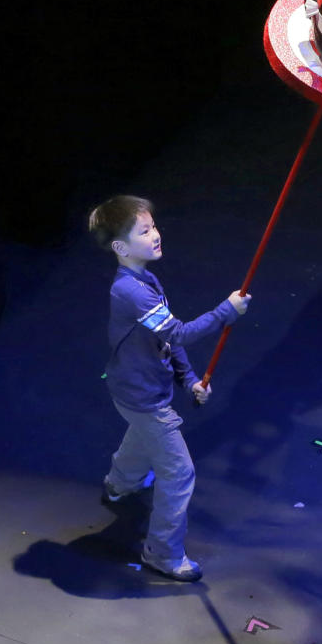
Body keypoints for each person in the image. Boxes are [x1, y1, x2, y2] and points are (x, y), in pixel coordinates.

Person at [89, 194, 251, 582]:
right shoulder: (131, 291)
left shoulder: (146, 279)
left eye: (154, 226)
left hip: (137, 392)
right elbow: (179, 332)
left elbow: (167, 340)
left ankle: (118, 486)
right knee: (178, 474)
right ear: (120, 247)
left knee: (142, 438)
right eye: (144, 231)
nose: (156, 235)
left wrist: (190, 379)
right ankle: (162, 553)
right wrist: (226, 311)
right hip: (143, 397)